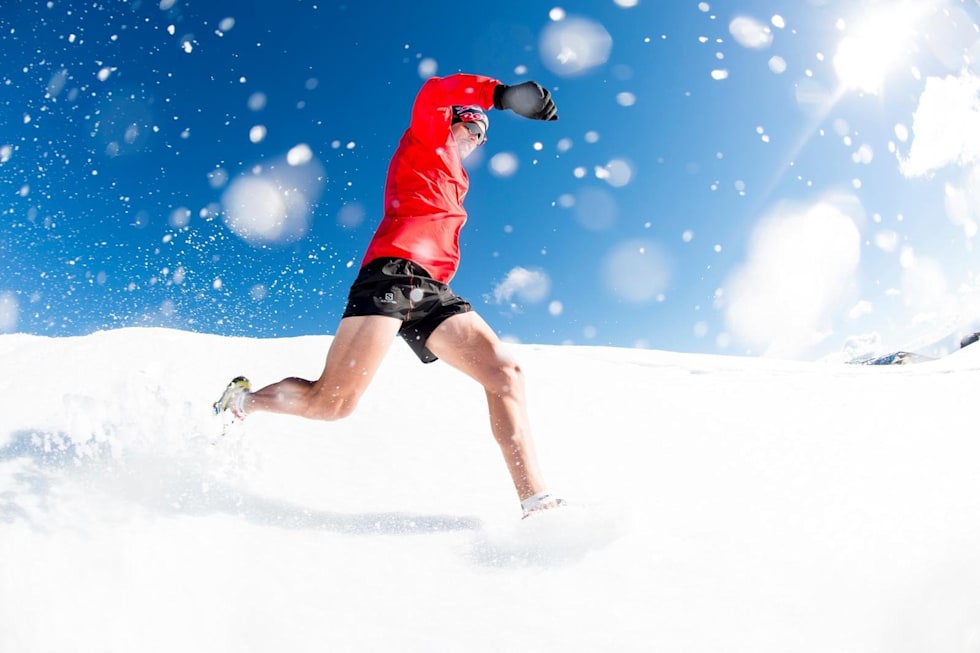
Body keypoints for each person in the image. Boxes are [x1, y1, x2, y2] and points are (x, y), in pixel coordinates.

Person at [214, 73, 563, 519]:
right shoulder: (426, 136)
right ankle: (242, 401)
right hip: (392, 275)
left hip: (434, 290)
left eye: (482, 136)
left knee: (505, 373)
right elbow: (436, 91)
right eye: (472, 126)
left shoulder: (458, 179)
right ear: (454, 121)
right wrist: (500, 95)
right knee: (332, 404)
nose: (477, 139)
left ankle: (538, 505)